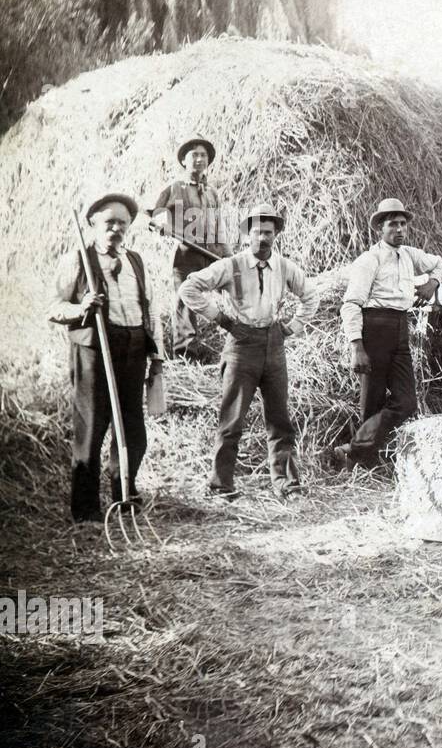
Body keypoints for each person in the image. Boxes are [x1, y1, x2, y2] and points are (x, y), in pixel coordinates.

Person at [179, 203, 321, 499]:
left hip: (273, 345)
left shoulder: (284, 267)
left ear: (276, 235)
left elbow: (311, 297)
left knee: (279, 420)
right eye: (256, 233)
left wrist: (290, 328)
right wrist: (221, 319)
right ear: (246, 235)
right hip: (241, 346)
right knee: (232, 420)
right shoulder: (230, 266)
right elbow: (189, 288)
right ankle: (221, 486)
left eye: (268, 233)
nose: (262, 239)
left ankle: (286, 484)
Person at [48, 193, 163, 523]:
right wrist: (81, 308)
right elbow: (53, 307)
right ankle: (85, 511)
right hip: (94, 350)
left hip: (134, 348)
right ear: (94, 225)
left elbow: (150, 308)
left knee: (133, 432)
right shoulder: (77, 261)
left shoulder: (135, 261)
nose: (116, 228)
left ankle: (124, 494)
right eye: (109, 222)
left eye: (122, 223)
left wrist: (158, 354)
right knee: (91, 428)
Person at [335, 198, 442, 468]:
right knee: (371, 400)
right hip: (374, 327)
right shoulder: (369, 260)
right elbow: (351, 304)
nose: (399, 229)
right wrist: (357, 346)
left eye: (402, 224)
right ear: (379, 229)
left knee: (407, 402)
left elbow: (440, 263)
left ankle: (352, 449)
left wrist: (432, 284)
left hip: (400, 328)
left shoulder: (409, 255)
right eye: (392, 224)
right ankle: (363, 462)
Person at [150, 136, 236, 360]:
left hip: (211, 253)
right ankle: (186, 353)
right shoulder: (175, 188)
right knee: (185, 300)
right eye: (194, 155)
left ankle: (242, 336)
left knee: (236, 289)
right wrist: (164, 225)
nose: (199, 159)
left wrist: (228, 257)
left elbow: (219, 227)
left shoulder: (212, 193)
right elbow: (157, 213)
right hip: (186, 254)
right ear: (184, 161)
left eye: (203, 156)